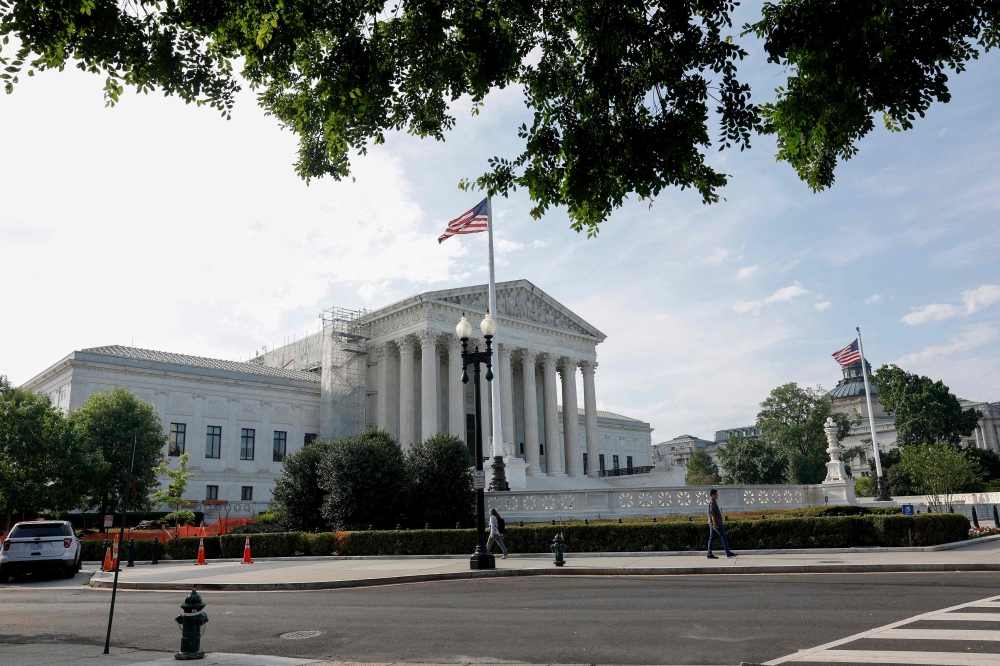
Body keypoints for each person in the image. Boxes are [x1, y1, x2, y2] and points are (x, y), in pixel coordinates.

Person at [707, 489, 736, 559]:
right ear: (713, 495)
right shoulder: (712, 503)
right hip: (716, 524)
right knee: (723, 537)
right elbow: (712, 514)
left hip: (713, 523)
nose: (717, 495)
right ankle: (728, 553)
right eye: (716, 494)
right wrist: (715, 524)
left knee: (712, 538)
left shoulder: (713, 502)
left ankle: (709, 553)